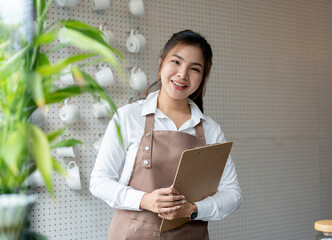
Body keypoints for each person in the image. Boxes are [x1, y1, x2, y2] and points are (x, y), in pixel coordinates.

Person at [90, 29, 242, 240]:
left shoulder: (211, 130)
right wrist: (145, 200)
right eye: (176, 62)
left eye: (195, 68)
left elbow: (232, 195)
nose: (183, 74)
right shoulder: (128, 117)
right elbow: (99, 182)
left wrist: (192, 209)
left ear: (202, 78)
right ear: (161, 63)